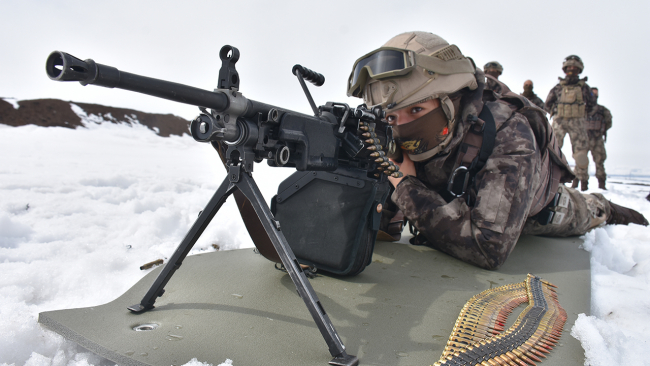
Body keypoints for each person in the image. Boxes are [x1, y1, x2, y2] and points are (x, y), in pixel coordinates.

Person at [347, 31, 648, 270]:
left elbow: (488, 246)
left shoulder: (508, 131)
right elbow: (383, 224)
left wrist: (405, 186)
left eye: (416, 109)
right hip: (456, 203)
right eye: (392, 116)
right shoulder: (393, 134)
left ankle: (607, 208)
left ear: (451, 98)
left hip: (536, 209)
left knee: (587, 211)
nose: (403, 125)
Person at [544, 55, 596, 191]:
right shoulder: (558, 88)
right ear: (565, 69)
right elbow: (548, 103)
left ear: (579, 70)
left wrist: (581, 114)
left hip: (577, 123)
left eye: (575, 68)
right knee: (551, 150)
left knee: (581, 155)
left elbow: (592, 105)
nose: (572, 70)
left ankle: (582, 181)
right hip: (560, 121)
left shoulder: (585, 88)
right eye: (569, 68)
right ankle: (549, 177)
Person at [586, 87, 612, 189]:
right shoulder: (582, 110)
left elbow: (609, 123)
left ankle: (602, 185)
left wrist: (600, 130)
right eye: (592, 94)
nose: (594, 97)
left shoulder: (603, 110)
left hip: (597, 138)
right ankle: (579, 184)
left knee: (599, 162)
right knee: (581, 162)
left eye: (596, 95)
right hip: (584, 138)